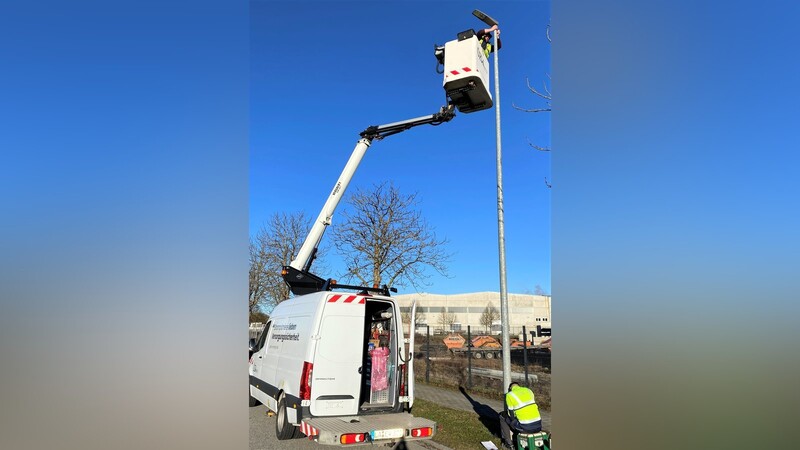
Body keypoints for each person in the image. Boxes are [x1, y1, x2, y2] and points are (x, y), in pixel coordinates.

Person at [500, 382, 542, 449]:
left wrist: (513, 422)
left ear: (510, 389)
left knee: (502, 416)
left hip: (526, 428)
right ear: (519, 386)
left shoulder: (510, 395)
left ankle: (509, 444)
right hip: (538, 425)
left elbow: (511, 414)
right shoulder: (528, 390)